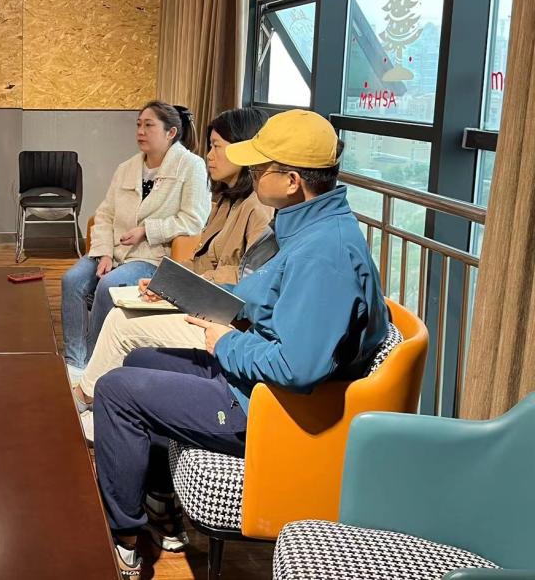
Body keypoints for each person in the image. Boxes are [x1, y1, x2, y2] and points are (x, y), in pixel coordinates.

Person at [92, 110, 390, 577]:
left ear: (291, 181)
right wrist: (185, 292)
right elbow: (267, 298)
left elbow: (297, 368)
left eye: (260, 167)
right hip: (255, 384)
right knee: (141, 358)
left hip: (271, 408)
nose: (251, 173)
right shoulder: (309, 227)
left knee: (115, 390)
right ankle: (160, 504)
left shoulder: (325, 253)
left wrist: (225, 343)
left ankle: (122, 538)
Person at [72, 107, 274, 443]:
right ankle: (87, 386)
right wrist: (167, 284)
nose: (209, 156)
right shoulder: (225, 200)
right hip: (202, 301)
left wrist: (178, 279)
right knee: (83, 285)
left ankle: (86, 398)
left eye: (217, 146)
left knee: (118, 314)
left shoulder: (256, 208)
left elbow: (245, 278)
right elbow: (200, 260)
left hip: (224, 321)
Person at [61, 101, 211, 377]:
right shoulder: (127, 168)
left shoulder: (191, 166)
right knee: (72, 280)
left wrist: (147, 230)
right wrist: (104, 252)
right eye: (139, 124)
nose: (140, 131)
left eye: (149, 125)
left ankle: (94, 365)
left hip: (152, 256)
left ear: (171, 133)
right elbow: (104, 214)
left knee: (108, 286)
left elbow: (193, 220)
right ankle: (74, 361)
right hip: (114, 250)